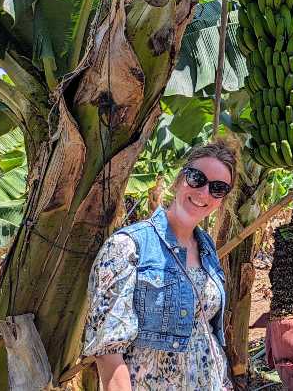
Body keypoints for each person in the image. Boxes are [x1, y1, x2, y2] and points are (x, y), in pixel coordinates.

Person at [83, 141, 236, 390]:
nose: (204, 193)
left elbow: (206, 332)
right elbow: (108, 351)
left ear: (222, 199)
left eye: (218, 188)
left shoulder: (206, 248)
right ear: (179, 180)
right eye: (196, 178)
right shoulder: (128, 246)